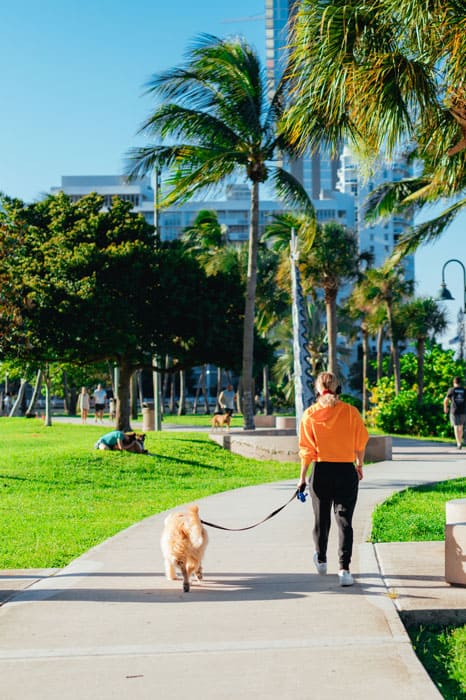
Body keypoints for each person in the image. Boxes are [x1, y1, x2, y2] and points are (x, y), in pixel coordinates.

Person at [297, 371, 369, 587]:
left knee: (322, 519)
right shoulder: (350, 412)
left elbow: (306, 450)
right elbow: (361, 443)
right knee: (345, 521)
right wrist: (359, 465)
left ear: (317, 389)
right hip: (346, 471)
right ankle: (344, 570)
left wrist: (302, 478)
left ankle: (321, 559)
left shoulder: (310, 414)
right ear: (337, 388)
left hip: (321, 472)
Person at [443, 376, 466, 449]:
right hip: (463, 410)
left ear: (454, 382)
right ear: (460, 383)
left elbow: (445, 400)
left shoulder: (451, 390)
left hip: (454, 410)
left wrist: (445, 408)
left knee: (456, 426)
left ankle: (458, 443)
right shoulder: (464, 390)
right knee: (461, 427)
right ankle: (460, 441)